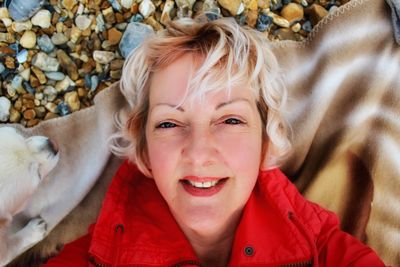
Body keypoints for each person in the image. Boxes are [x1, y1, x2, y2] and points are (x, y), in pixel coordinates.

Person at [43, 17, 386, 267]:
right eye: (170, 123)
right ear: (144, 153)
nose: (199, 152)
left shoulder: (326, 253)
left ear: (266, 143)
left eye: (230, 120)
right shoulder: (91, 259)